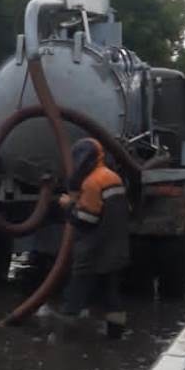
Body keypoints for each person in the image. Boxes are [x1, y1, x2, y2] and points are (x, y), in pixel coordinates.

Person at [58, 137, 130, 338]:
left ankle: (65, 337)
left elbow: (86, 220)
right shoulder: (112, 177)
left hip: (93, 249)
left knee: (75, 292)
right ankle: (116, 338)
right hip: (115, 247)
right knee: (111, 295)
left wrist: (69, 205)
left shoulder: (92, 182)